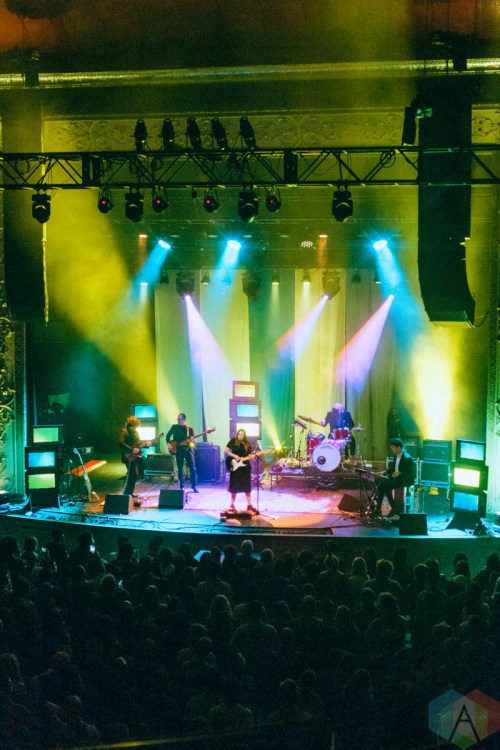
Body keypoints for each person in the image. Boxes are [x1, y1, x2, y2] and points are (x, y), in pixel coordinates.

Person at [376, 437, 416, 516]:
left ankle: (386, 509)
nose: (392, 449)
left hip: (403, 480)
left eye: (393, 447)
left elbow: (410, 472)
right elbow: (393, 468)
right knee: (382, 486)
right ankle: (389, 509)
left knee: (384, 487)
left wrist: (400, 473)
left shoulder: (407, 458)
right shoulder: (396, 456)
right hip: (396, 478)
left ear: (399, 447)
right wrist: (385, 472)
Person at [118, 416, 151, 502]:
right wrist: (131, 449)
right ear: (130, 425)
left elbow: (139, 444)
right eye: (135, 426)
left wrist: (146, 445)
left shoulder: (136, 432)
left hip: (135, 456)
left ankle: (129, 493)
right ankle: (127, 494)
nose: (136, 428)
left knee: (134, 475)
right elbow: (121, 443)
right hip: (128, 456)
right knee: (132, 475)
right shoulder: (124, 432)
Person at [225, 429, 257, 513]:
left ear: (244, 435)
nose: (240, 436)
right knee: (234, 487)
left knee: (247, 487)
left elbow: (249, 454)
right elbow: (226, 451)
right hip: (235, 466)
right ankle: (232, 505)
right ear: (237, 434)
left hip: (245, 467)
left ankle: (249, 505)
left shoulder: (247, 443)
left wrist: (251, 457)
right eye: (239, 434)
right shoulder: (233, 441)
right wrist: (235, 456)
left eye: (242, 434)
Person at [166, 413, 198, 492]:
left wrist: (193, 441)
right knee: (180, 468)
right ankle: (182, 486)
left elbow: (193, 441)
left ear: (184, 420)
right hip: (178, 450)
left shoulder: (190, 429)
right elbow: (167, 436)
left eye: (179, 419)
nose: (178, 421)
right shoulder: (174, 427)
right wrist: (169, 444)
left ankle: (194, 486)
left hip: (188, 450)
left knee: (192, 468)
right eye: (177, 419)